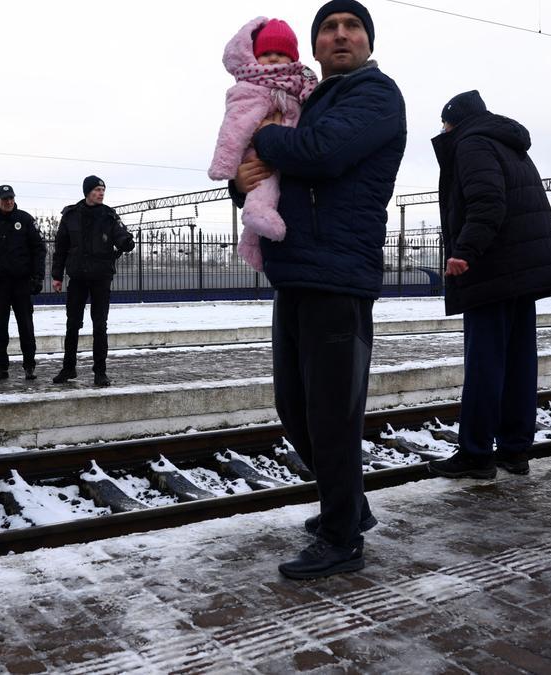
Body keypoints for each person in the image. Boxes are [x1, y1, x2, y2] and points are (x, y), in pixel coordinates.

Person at [231, 0, 404, 580]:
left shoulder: (375, 95)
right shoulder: (312, 100)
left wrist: (260, 137)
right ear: (315, 46)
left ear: (367, 41)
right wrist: (243, 179)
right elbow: (279, 175)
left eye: (352, 26)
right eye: (328, 28)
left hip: (338, 273)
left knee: (332, 415)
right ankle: (348, 506)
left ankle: (341, 538)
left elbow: (322, 155)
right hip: (297, 271)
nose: (340, 35)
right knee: (295, 408)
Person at [427, 90, 551, 480]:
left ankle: (476, 454)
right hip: (520, 272)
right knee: (519, 363)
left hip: (492, 269)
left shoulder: (472, 142)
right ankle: (514, 449)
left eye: (444, 126)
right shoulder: (509, 144)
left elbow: (487, 201)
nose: (442, 132)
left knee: (486, 365)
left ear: (453, 122)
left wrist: (465, 250)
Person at [207, 17, 317, 272]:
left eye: (282, 53)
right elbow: (234, 128)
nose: (275, 59)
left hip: (290, 163)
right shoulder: (251, 87)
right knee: (263, 182)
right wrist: (227, 169)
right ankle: (255, 212)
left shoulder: (303, 85)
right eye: (267, 53)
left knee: (271, 187)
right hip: (260, 158)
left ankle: (252, 247)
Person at [50, 176, 135, 387]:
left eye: (103, 190)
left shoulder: (108, 215)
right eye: (97, 189)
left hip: (100, 278)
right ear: (87, 192)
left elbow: (120, 235)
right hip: (77, 278)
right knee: (72, 325)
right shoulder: (70, 216)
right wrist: (57, 275)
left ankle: (100, 372)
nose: (101, 193)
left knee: (99, 325)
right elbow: (60, 248)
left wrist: (126, 241)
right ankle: (68, 368)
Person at [0, 184, 47, 381]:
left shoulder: (25, 219)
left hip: (22, 283)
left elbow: (39, 249)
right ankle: (1, 367)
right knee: (0, 327)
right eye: (4, 199)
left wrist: (38, 277)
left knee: (26, 326)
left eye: (11, 198)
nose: (8, 202)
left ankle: (29, 366)